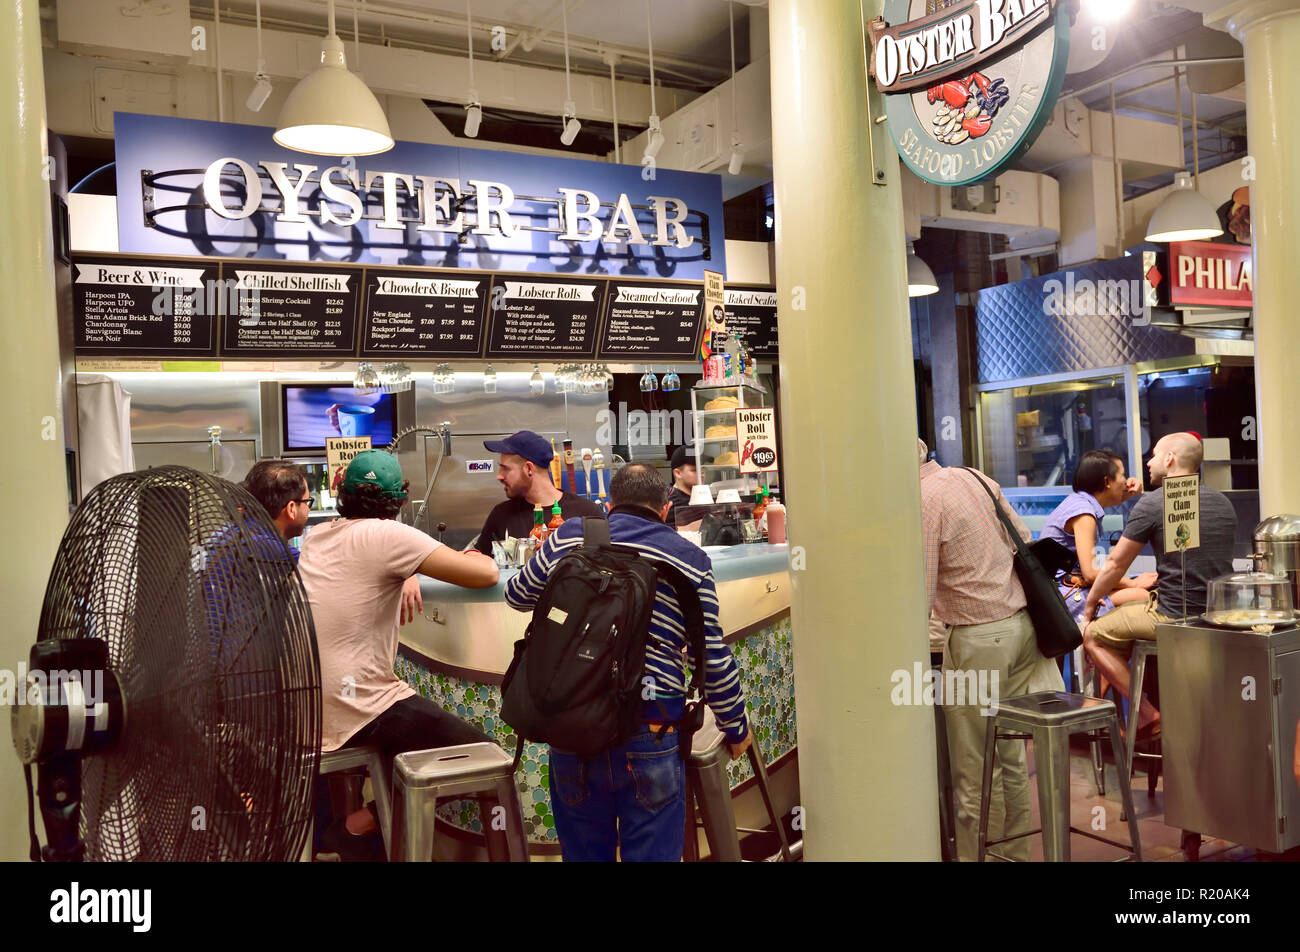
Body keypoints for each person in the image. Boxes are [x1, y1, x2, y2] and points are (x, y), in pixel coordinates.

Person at [503, 462, 752, 861]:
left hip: (571, 724)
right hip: (650, 728)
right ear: (666, 507)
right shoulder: (690, 558)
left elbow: (517, 595)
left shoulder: (569, 534)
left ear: (611, 503)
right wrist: (735, 725)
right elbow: (712, 655)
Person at [298, 449, 502, 860]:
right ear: (400, 499)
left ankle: (362, 834)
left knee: (406, 752)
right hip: (358, 705)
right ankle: (357, 827)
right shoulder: (391, 537)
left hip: (306, 703)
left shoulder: (317, 534)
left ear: (340, 491)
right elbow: (487, 575)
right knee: (483, 756)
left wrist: (410, 569)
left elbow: (367, 564)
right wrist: (412, 566)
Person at [919, 438, 1064, 862]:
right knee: (1011, 756)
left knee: (974, 770)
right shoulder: (973, 477)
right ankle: (1014, 856)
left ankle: (976, 858)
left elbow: (920, 592)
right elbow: (1023, 538)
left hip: (978, 639)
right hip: (1023, 629)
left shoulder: (923, 502)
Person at [1082, 432, 1237, 737]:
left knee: (1093, 636)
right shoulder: (1223, 502)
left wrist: (1090, 604)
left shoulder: (1155, 503)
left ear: (1169, 459)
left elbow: (1114, 564)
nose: (1148, 463)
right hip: (1217, 617)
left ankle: (1149, 716)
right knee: (1131, 606)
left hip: (1173, 617)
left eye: (1154, 455)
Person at [1040, 451, 1157, 628]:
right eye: (1122, 475)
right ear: (1106, 482)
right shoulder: (1084, 514)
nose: (1126, 482)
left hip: (1070, 585)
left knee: (1138, 590)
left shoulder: (1080, 502)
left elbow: (1115, 496)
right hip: (1063, 594)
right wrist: (1133, 583)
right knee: (1141, 595)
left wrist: (1132, 492)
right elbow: (1091, 574)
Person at [473, 430, 604, 555]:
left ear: (529, 468)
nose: (499, 476)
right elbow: (478, 561)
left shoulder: (586, 512)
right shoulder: (501, 514)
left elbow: (605, 565)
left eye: (505, 469)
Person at [240, 459, 312, 555]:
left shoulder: (227, 533)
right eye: (307, 502)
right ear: (291, 508)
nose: (308, 509)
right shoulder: (286, 559)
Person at [664, 445, 698, 524]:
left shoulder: (701, 497)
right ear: (678, 473)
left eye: (702, 469)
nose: (702, 474)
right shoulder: (672, 504)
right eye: (695, 470)